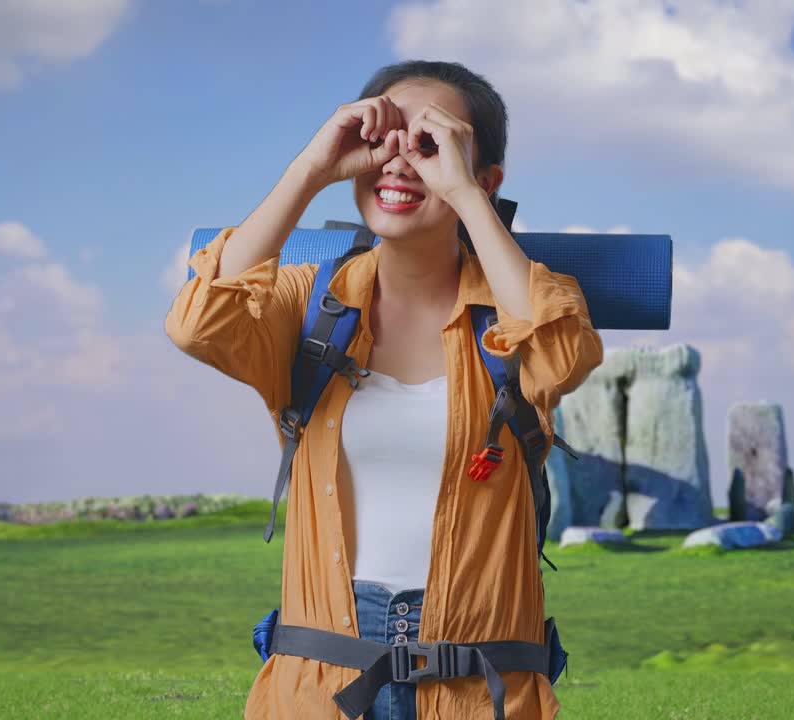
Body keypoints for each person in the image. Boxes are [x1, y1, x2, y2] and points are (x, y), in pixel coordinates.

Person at [166, 60, 604, 719]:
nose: (399, 161)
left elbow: (562, 354)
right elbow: (198, 323)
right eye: (382, 138)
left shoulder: (516, 308)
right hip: (319, 689)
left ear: (485, 178)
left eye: (430, 143)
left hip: (478, 694)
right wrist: (312, 167)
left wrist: (466, 197)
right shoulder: (308, 305)